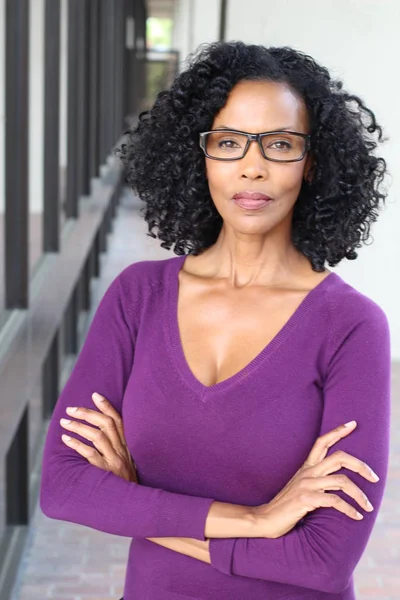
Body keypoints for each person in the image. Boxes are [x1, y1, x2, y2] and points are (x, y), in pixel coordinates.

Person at [40, 41, 391, 599]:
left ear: (313, 160)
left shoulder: (350, 325)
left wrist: (139, 505)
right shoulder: (137, 297)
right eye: (228, 143)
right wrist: (256, 521)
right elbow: (62, 486)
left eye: (280, 144)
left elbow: (321, 560)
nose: (252, 167)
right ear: (197, 155)